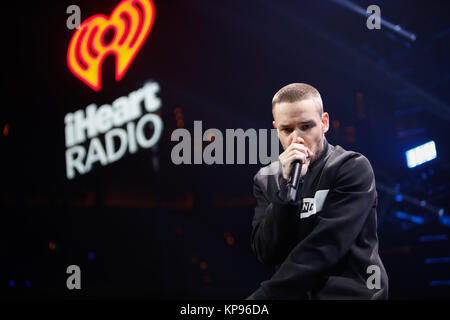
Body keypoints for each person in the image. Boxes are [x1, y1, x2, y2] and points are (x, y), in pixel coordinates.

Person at [247, 83, 388, 300]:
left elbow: (325, 247)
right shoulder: (266, 179)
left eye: (306, 126)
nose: (297, 138)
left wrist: (264, 296)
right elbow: (267, 252)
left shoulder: (351, 167)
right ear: (276, 130)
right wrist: (285, 190)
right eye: (287, 129)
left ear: (324, 123)